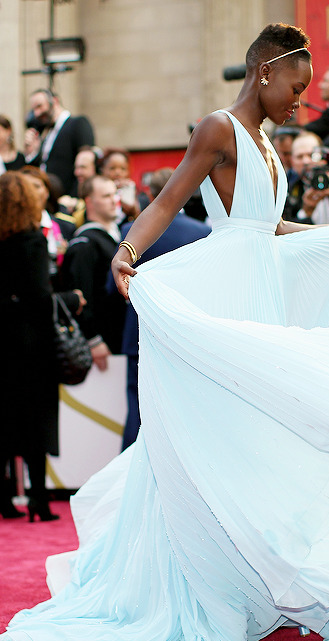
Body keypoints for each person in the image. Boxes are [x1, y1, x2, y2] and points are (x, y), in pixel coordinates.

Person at [0, 24, 329, 641]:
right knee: (213, 445)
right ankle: (201, 585)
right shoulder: (219, 128)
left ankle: (254, 583)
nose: (300, 102)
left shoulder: (269, 145)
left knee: (255, 445)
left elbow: (268, 227)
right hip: (226, 300)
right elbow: (167, 199)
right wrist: (127, 254)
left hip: (260, 301)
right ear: (266, 70)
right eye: (295, 88)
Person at [0, 172, 84, 521]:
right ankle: (37, 499)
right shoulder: (32, 241)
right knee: (36, 421)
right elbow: (38, 298)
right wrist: (71, 298)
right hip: (30, 346)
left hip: (2, 344)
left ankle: (5, 499)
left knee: (4, 421)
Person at [119, 167, 210, 450]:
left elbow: (115, 287)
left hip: (139, 328)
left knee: (138, 406)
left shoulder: (128, 233)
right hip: (183, 332)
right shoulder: (203, 232)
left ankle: (129, 469)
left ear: (150, 193)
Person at [61, 174, 126, 369]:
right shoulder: (84, 244)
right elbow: (81, 295)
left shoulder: (118, 236)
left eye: (115, 194)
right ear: (89, 201)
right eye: (106, 196)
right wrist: (93, 340)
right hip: (103, 346)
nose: (114, 200)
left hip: (121, 338)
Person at [24, 88, 95, 196]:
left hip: (69, 200)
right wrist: (32, 152)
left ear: (54, 101)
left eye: (39, 106)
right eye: (34, 109)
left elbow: (86, 166)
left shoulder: (78, 123)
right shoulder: (46, 134)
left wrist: (75, 198)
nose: (37, 113)